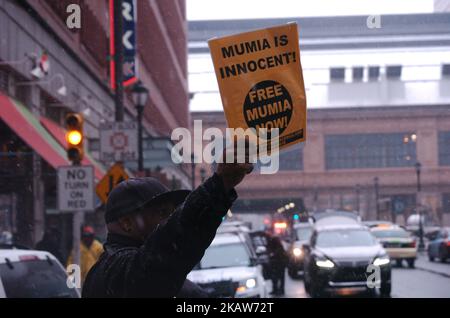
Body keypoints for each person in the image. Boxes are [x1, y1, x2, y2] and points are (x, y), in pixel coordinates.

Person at [82, 146, 253, 298]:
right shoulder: (115, 274)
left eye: (173, 212)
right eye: (163, 213)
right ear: (127, 223)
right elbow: (164, 251)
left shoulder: (164, 280)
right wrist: (218, 185)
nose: (170, 219)